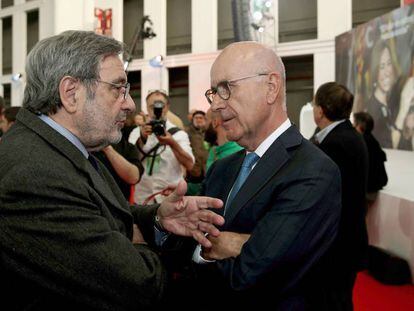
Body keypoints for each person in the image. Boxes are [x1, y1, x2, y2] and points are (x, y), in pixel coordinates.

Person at [0, 30, 225, 311]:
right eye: (118, 88)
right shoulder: (35, 174)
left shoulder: (59, 148)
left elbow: (96, 211)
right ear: (71, 93)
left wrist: (157, 218)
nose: (130, 104)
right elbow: (139, 286)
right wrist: (137, 243)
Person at [166, 41, 342, 310]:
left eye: (226, 88)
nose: (215, 105)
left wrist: (202, 245)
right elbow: (190, 241)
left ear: (271, 87)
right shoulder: (222, 168)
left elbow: (251, 275)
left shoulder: (313, 171)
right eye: (213, 92)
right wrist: (234, 244)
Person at [312, 82, 369, 310]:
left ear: (321, 110)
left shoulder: (338, 143)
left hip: (338, 241)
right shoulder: (342, 135)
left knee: (334, 301)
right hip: (344, 238)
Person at [129, 90, 195, 204]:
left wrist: (172, 143)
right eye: (152, 106)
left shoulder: (178, 134)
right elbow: (130, 164)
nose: (156, 110)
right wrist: (142, 139)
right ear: (147, 108)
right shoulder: (136, 133)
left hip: (170, 198)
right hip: (142, 199)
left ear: (167, 107)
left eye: (160, 106)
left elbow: (190, 164)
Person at [367, 42, 399, 148]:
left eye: (389, 63)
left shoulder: (391, 101)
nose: (387, 72)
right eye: (381, 66)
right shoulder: (372, 110)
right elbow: (389, 147)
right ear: (375, 71)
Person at [353, 111, 388, 202]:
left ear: (359, 126)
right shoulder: (372, 141)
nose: (352, 126)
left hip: (367, 191)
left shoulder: (362, 143)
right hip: (372, 188)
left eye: (354, 123)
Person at [186, 110, 208, 183]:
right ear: (193, 120)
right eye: (196, 118)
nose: (198, 120)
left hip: (207, 169)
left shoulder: (209, 133)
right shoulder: (187, 132)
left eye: (201, 118)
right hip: (193, 171)